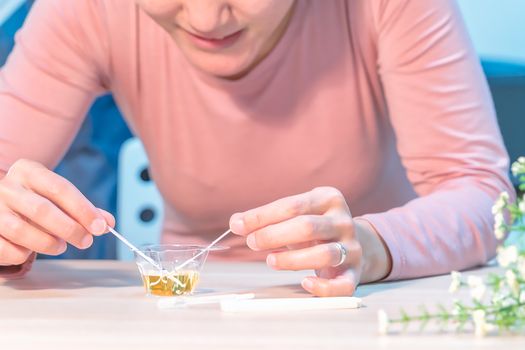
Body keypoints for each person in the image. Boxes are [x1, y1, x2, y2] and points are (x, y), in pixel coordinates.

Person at [0, 0, 513, 297]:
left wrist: (371, 244)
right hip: (196, 311)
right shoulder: (85, 9)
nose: (205, 18)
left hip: (363, 302)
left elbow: (481, 194)